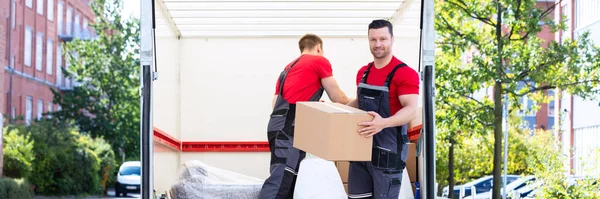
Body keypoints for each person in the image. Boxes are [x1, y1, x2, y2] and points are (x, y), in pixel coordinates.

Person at [259, 34, 350, 199]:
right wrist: (361, 104)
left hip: (277, 126)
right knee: (280, 183)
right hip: (289, 129)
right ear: (319, 48)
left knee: (290, 181)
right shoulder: (319, 61)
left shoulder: (287, 68)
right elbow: (339, 98)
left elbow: (275, 103)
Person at [346, 19, 419, 199]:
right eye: (373, 40)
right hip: (360, 151)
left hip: (388, 153)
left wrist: (383, 123)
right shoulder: (363, 72)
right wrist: (334, 113)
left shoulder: (405, 73)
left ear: (392, 39)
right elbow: (359, 102)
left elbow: (411, 109)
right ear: (368, 41)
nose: (378, 44)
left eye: (383, 39)